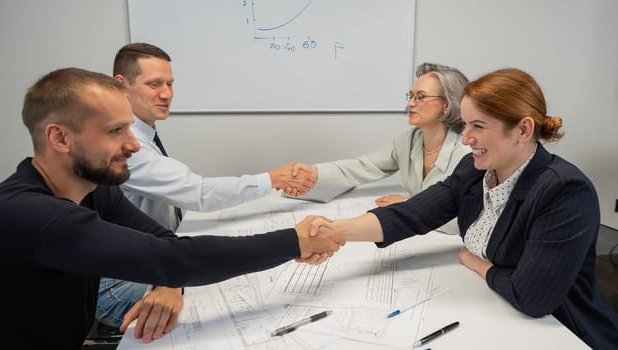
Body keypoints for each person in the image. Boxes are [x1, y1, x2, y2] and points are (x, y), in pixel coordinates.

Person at [0, 67, 343, 349]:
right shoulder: (29, 213)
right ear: (59, 138)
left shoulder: (93, 189)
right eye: (115, 130)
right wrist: (296, 241)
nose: (133, 144)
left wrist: (168, 284)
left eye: (130, 128)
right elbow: (172, 259)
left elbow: (164, 246)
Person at [307, 68, 618, 349]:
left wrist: (478, 265)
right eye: (466, 124)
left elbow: (531, 297)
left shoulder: (564, 191)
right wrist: (334, 231)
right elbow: (411, 214)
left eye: (478, 126)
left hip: (565, 331)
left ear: (523, 130)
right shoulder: (475, 169)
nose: (466, 138)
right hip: (498, 313)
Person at [96, 42, 316, 332]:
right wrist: (274, 179)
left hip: (151, 258)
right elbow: (198, 193)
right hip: (120, 280)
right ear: (121, 85)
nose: (167, 94)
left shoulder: (143, 135)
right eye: (154, 84)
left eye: (170, 83)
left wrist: (172, 273)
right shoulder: (126, 148)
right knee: (227, 305)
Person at [290, 63, 470, 235]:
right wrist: (312, 172)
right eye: (411, 96)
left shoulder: (467, 154)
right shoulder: (410, 140)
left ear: (447, 104)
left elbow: (463, 219)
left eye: (421, 97)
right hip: (418, 236)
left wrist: (408, 205)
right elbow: (362, 166)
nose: (411, 104)